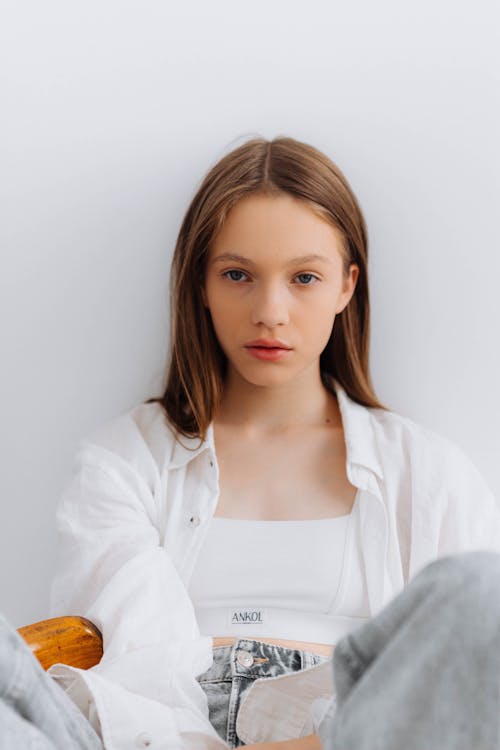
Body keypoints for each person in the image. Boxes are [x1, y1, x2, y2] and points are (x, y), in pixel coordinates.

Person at [1, 135, 500, 750]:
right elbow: (134, 679)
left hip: (346, 739)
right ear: (201, 284)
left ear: (347, 287)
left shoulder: (425, 473)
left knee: (486, 593)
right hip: (156, 738)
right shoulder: (123, 459)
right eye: (237, 274)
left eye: (304, 278)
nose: (270, 310)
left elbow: (461, 666)